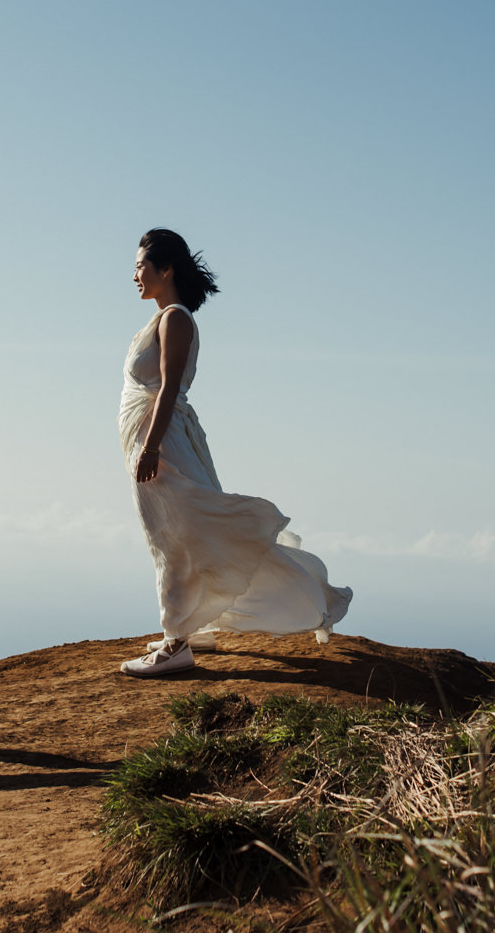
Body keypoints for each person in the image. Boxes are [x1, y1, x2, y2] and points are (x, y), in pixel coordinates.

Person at [118, 228, 352, 677]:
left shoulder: (175, 320)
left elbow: (168, 388)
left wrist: (149, 448)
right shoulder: (165, 317)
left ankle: (175, 645)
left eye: (140, 266)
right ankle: (192, 625)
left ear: (165, 269)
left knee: (178, 536)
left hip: (163, 443)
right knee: (181, 534)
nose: (134, 275)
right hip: (158, 440)